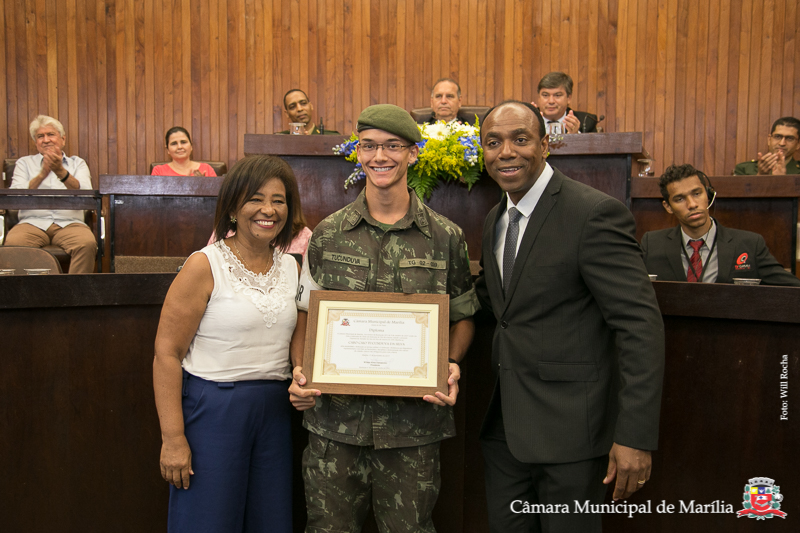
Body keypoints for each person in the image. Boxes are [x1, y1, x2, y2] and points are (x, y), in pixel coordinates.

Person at [475, 101, 664, 533]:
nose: (506, 152)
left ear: (546, 144)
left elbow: (639, 326)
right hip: (505, 433)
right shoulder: (495, 220)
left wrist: (634, 436)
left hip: (572, 438)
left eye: (520, 139)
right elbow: (494, 303)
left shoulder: (593, 213)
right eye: (493, 142)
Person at [289, 104, 479, 532]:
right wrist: (300, 371)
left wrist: (449, 363)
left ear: (413, 152)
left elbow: (464, 315)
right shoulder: (328, 234)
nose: (380, 156)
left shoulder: (445, 237)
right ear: (357, 152)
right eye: (369, 145)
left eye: (393, 146)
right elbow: (305, 313)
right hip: (334, 426)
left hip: (412, 430)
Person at [153, 155, 302, 532]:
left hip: (275, 413)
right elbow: (166, 354)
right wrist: (173, 438)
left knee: (270, 522)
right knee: (207, 521)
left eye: (279, 200)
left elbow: (298, 340)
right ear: (233, 207)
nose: (269, 210)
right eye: (256, 198)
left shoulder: (291, 267)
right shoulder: (204, 265)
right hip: (214, 411)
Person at [642, 163, 800, 286]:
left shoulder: (750, 244)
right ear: (668, 207)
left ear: (708, 195)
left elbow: (791, 288)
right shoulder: (652, 244)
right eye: (680, 199)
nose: (692, 204)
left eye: (697, 193)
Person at [6, 115, 97, 273]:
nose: (46, 140)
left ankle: (76, 289)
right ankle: (27, 290)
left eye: (51, 134)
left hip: (70, 223)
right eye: (40, 136)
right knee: (13, 244)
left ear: (63, 139)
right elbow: (14, 198)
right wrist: (42, 175)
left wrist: (60, 171)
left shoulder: (78, 163)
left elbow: (87, 195)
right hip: (31, 222)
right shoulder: (24, 163)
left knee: (86, 244)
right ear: (36, 142)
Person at [532, 71, 598, 133]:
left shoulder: (586, 121)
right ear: (539, 98)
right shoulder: (529, 120)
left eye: (557, 95)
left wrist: (575, 136)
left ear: (568, 98)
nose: (551, 101)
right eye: (545, 95)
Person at [734, 117, 800, 175]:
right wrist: (761, 175)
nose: (782, 143)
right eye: (777, 137)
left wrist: (782, 180)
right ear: (769, 140)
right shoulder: (744, 169)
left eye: (790, 138)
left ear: (798, 144)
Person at [151, 127, 217, 177]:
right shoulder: (158, 171)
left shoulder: (207, 169)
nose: (179, 147)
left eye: (183, 142)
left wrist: (203, 184)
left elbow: (218, 191)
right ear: (167, 149)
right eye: (174, 144)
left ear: (191, 146)